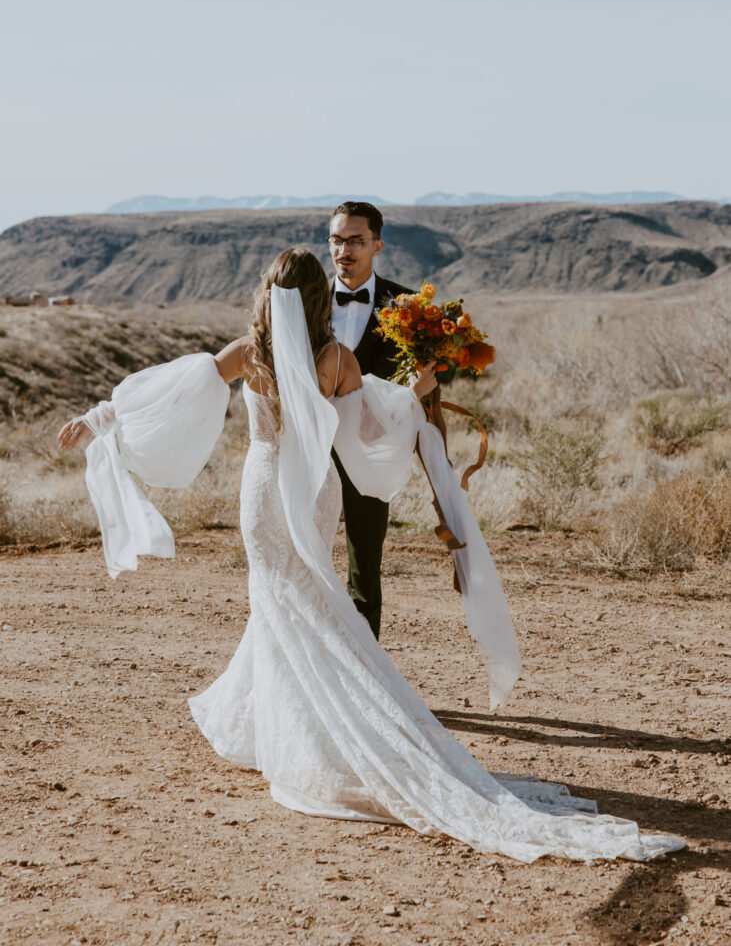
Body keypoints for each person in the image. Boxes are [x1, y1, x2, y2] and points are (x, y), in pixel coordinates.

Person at [58, 247, 684, 862]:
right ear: (317, 297)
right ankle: (271, 720)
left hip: (263, 491)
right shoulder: (336, 360)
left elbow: (168, 391)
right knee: (298, 598)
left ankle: (307, 733)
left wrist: (98, 420)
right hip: (313, 493)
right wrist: (415, 397)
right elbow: (369, 438)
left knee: (281, 598)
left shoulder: (248, 354)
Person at [328, 201, 412, 639]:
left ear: (377, 245)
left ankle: (365, 674)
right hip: (311, 449)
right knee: (306, 558)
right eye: (337, 240)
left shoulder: (407, 305)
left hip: (371, 451)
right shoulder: (304, 303)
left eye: (356, 241)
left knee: (365, 568)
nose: (345, 250)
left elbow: (431, 371)